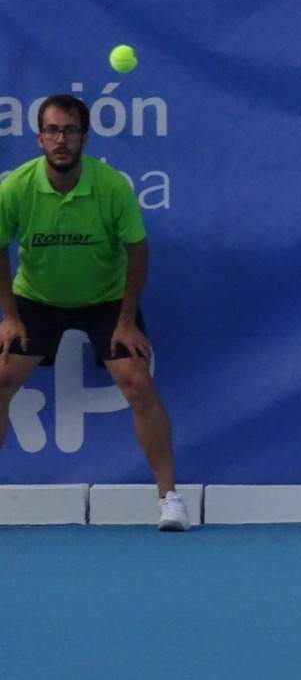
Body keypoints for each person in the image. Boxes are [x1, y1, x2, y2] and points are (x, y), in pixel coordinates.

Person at [0, 94, 189, 531]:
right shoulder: (16, 188)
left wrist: (124, 320)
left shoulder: (111, 187)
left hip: (105, 301)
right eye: (52, 131)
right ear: (39, 138)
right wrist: (10, 317)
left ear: (84, 137)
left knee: (138, 383)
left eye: (69, 131)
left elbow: (137, 252)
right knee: (3, 377)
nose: (60, 140)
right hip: (37, 300)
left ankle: (170, 500)